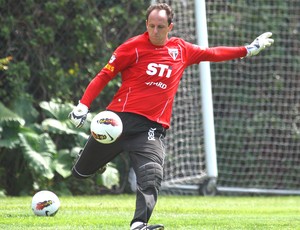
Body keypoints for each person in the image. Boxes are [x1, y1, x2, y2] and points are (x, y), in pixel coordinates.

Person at [69, 3, 274, 230]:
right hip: (117, 121)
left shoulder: (181, 49)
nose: (155, 31)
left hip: (150, 128)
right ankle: (94, 162)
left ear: (170, 27)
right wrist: (83, 106)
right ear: (146, 24)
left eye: (160, 27)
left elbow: (212, 53)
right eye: (151, 26)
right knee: (80, 173)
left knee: (151, 174)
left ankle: (138, 224)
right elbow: (103, 76)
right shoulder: (131, 47)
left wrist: (248, 49)